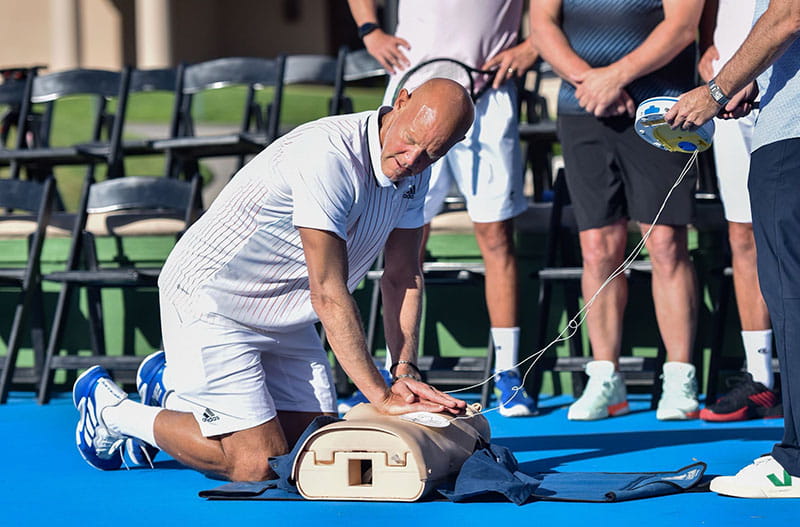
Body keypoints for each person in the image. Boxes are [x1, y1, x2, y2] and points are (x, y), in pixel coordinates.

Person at [72, 78, 472, 482]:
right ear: (399, 103)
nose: (412, 158)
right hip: (211, 301)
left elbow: (403, 276)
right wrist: (383, 398)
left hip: (285, 312)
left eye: (432, 152)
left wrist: (403, 372)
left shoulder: (419, 170)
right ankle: (112, 411)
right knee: (257, 463)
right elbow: (329, 294)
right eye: (410, 140)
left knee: (308, 451)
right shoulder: (329, 156)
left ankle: (176, 391)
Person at [344, 0, 540, 417]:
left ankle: (507, 371)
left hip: (487, 95)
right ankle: (389, 372)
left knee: (495, 235)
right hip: (413, 98)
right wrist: (369, 31)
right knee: (401, 240)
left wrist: (533, 45)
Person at [530, 0, 703, 421]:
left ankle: (680, 377)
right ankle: (606, 378)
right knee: (597, 248)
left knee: (664, 243)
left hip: (662, 109)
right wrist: (589, 82)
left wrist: (616, 77)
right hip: (583, 108)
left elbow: (682, 28)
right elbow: (542, 24)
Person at [665, 0, 800, 500]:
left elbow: (789, 13)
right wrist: (754, 79)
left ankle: (799, 462)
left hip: (792, 137)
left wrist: (715, 90)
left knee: (791, 293)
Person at [696, 0, 781, 422]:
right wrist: (709, 53)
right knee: (742, 232)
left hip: (785, 87)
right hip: (730, 92)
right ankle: (760, 377)